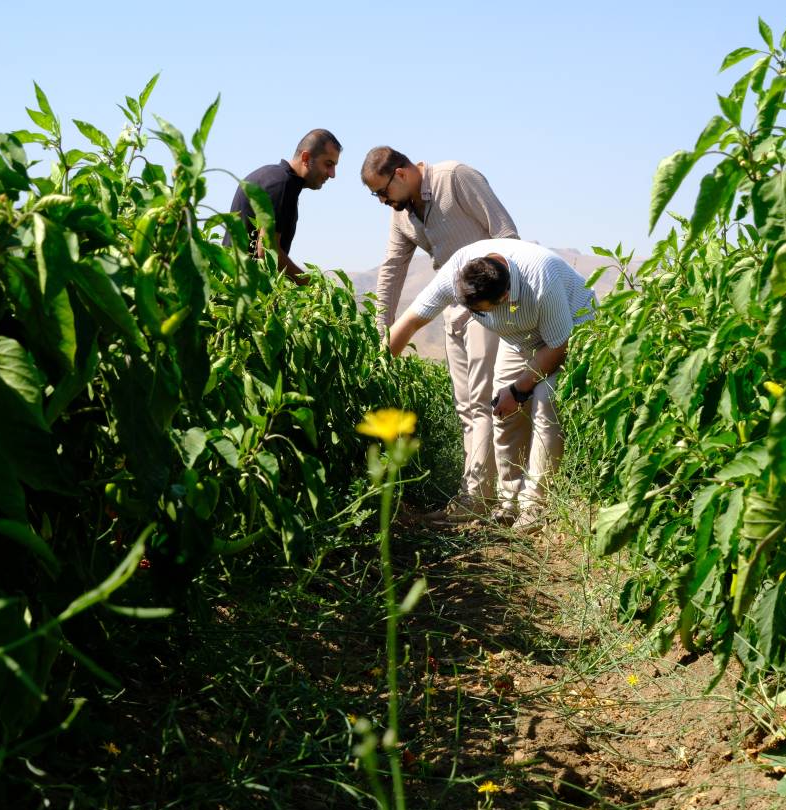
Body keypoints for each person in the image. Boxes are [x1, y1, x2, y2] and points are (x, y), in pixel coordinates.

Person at [386, 239, 596, 530]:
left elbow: (559, 347)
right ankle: (508, 502)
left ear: (506, 295)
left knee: (545, 401)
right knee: (503, 410)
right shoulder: (460, 271)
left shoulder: (540, 280)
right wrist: (377, 368)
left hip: (571, 332)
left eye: (485, 310)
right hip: (519, 338)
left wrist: (519, 389)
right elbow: (410, 322)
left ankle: (534, 505)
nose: (482, 316)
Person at [360, 147, 518, 522]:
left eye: (381, 192)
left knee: (485, 401)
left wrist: (497, 296)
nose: (382, 202)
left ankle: (489, 500)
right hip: (453, 310)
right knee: (466, 406)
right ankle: (480, 497)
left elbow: (507, 235)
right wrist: (382, 331)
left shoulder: (455, 177)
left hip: (488, 305)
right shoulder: (403, 214)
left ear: (400, 174)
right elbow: (393, 269)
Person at [226, 129, 342, 284]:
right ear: (306, 158)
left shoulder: (275, 177)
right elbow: (267, 252)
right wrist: (313, 285)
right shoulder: (281, 185)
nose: (332, 174)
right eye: (328, 164)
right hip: (240, 293)